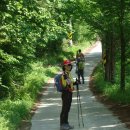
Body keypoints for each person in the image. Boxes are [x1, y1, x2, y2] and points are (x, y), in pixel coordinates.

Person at [60, 59, 78, 130]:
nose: (69, 66)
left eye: (70, 65)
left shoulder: (68, 73)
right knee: (65, 109)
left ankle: (66, 123)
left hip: (69, 93)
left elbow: (71, 82)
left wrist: (76, 82)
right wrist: (72, 83)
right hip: (66, 93)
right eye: (67, 65)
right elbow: (66, 83)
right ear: (64, 66)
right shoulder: (64, 74)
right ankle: (62, 124)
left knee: (67, 108)